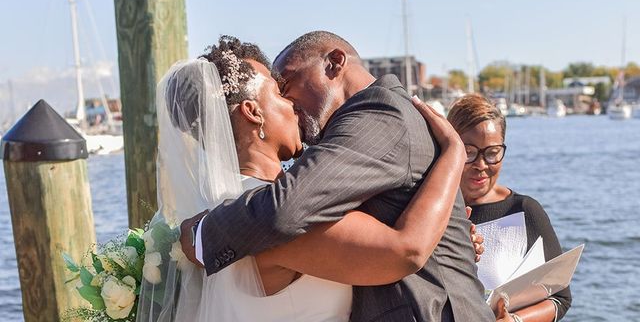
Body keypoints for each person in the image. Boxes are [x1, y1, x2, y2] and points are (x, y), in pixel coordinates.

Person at [181, 31, 494, 322]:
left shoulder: (378, 112)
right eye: (279, 93)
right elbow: (400, 245)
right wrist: (453, 156)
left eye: (286, 85)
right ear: (252, 113)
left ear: (334, 62)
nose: (289, 102)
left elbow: (288, 209)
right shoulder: (260, 198)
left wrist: (203, 234)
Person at [447, 94, 572, 322]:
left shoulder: (524, 210)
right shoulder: (428, 211)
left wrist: (515, 321)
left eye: (493, 153)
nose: (481, 165)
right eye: (469, 152)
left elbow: (560, 298)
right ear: (449, 147)